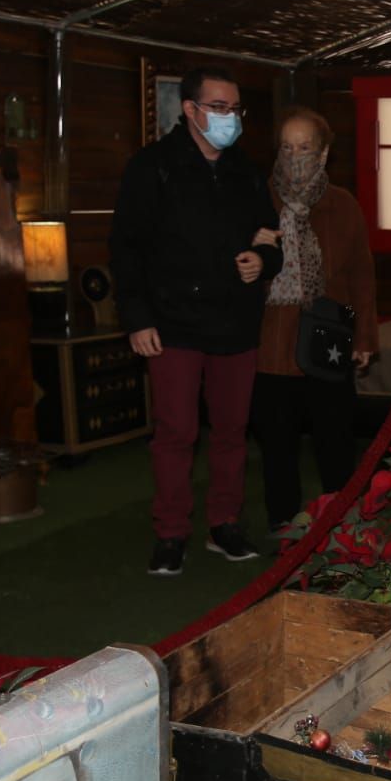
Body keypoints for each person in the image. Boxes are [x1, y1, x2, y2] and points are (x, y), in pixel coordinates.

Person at [110, 66, 282, 577]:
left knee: (231, 431)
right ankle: (170, 533)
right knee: (176, 432)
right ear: (191, 110)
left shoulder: (245, 172)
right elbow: (126, 249)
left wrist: (262, 262)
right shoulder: (152, 167)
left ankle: (224, 525)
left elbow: (270, 236)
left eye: (235, 109)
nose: (230, 119)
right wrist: (136, 318)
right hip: (172, 322)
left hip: (234, 322)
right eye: (220, 108)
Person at [249, 107, 378, 532]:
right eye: (287, 147)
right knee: (277, 443)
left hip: (329, 338)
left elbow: (361, 275)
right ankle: (283, 522)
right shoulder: (255, 199)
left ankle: (340, 520)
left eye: (305, 147)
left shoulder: (343, 205)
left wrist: (365, 337)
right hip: (271, 343)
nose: (295, 155)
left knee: (335, 439)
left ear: (323, 154)